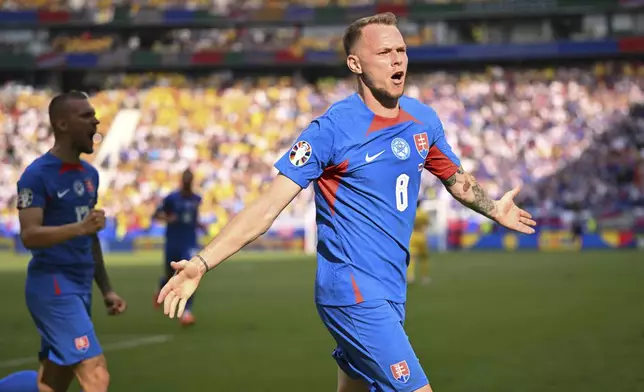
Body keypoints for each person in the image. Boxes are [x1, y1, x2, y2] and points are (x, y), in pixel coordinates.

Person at [157, 13, 536, 392]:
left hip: (390, 289)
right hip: (353, 294)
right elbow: (268, 206)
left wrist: (494, 208)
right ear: (355, 63)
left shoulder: (423, 120)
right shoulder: (332, 129)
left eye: (401, 50)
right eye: (384, 52)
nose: (397, 59)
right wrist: (202, 264)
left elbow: (456, 179)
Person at [16, 92, 127, 392]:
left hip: (79, 287)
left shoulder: (89, 175)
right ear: (62, 125)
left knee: (53, 382)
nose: (96, 120)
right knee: (96, 374)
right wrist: (78, 227)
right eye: (86, 116)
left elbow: (89, 238)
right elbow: (29, 235)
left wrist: (106, 289)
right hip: (53, 287)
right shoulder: (36, 175)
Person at [152, 168, 205, 326]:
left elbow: (194, 218)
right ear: (182, 180)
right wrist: (168, 218)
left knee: (190, 273)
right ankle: (161, 287)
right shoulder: (171, 199)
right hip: (173, 241)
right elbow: (156, 215)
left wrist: (199, 225)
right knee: (171, 274)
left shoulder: (196, 198)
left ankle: (187, 312)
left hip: (189, 242)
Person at [407, 202, 431, 285]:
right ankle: (424, 277)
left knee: (412, 258)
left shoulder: (411, 212)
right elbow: (427, 224)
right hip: (421, 236)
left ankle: (410, 276)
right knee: (424, 258)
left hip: (413, 236)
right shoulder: (423, 214)